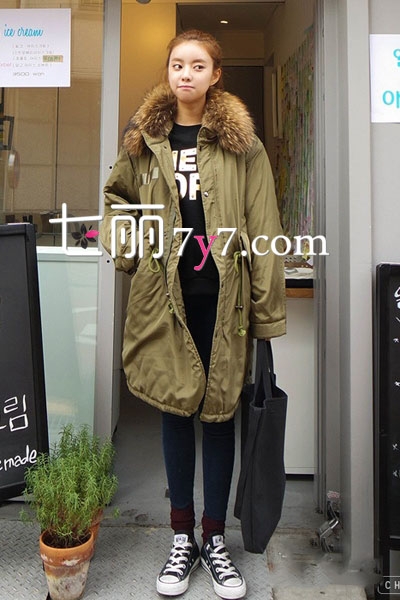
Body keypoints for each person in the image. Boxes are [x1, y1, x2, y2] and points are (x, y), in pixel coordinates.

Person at [100, 29, 286, 599]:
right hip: (164, 300)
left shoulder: (242, 145)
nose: (186, 73)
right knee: (174, 410)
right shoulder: (144, 138)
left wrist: (266, 314)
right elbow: (116, 201)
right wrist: (133, 250)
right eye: (178, 64)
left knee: (219, 416)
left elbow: (264, 228)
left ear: (215, 74)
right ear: (168, 71)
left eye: (198, 65)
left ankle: (215, 539)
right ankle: (181, 537)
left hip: (223, 303)